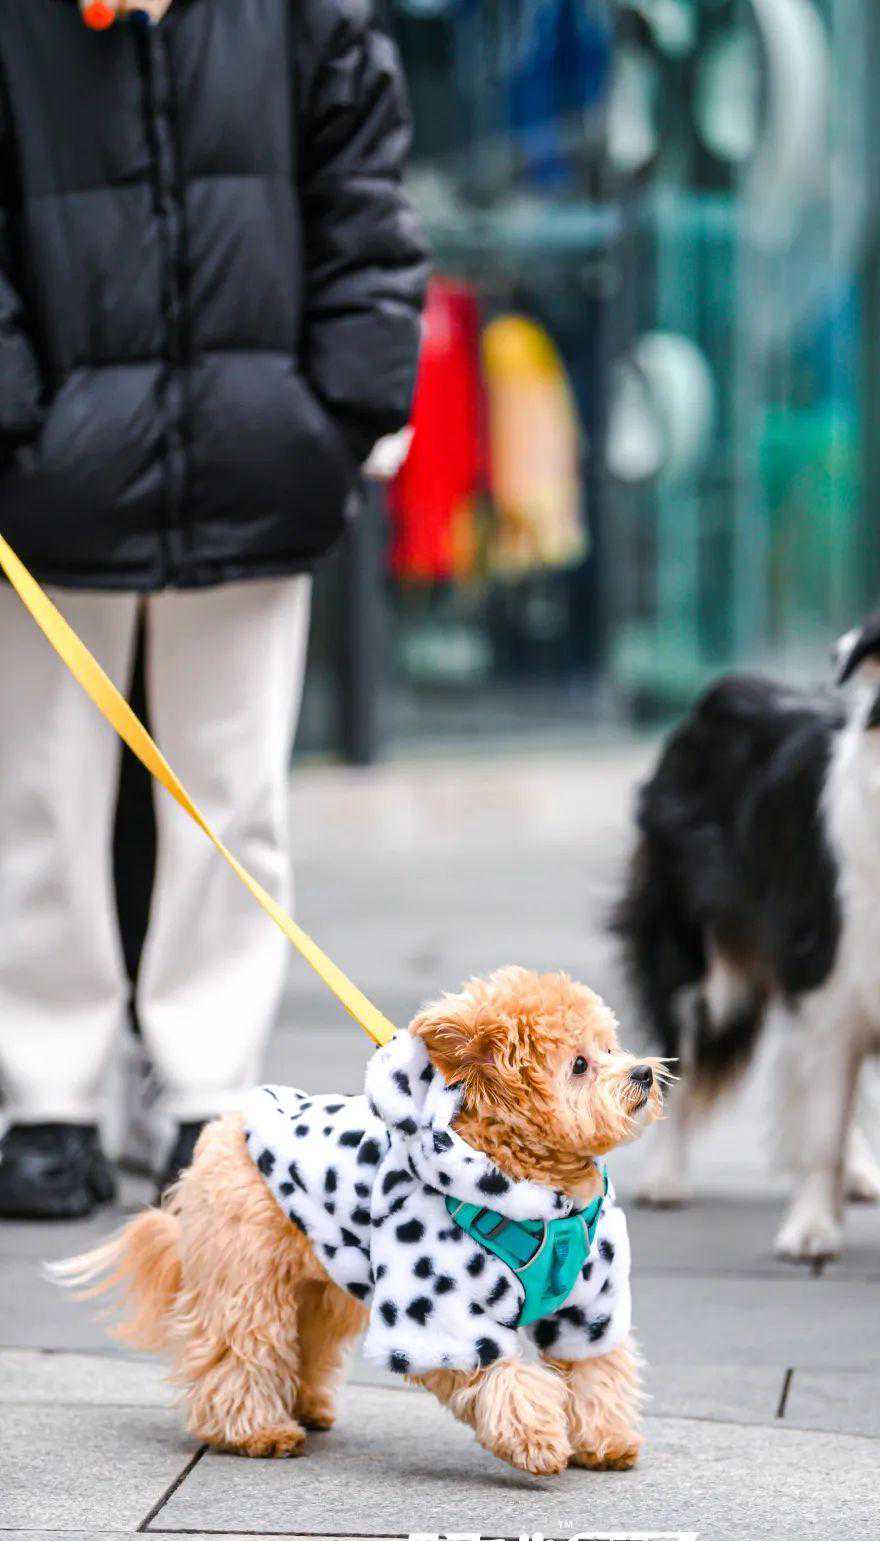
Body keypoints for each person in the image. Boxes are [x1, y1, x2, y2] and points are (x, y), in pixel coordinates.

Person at [0, 0, 428, 1217]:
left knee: (233, 798)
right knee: (38, 799)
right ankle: (48, 1098)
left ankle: (208, 1090)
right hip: (47, 482)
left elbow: (368, 205)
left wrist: (334, 419)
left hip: (254, 460)